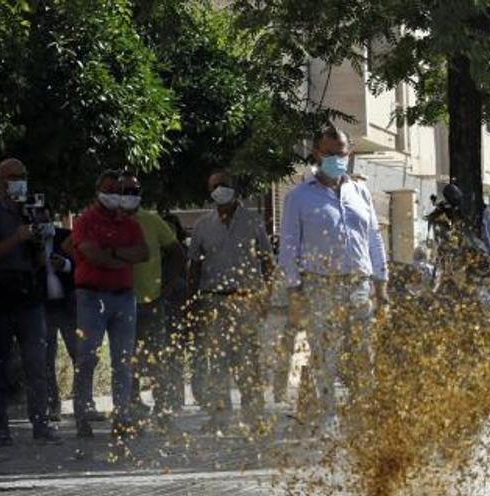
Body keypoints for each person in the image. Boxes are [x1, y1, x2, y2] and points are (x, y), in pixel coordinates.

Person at [279, 127, 388, 430]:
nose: (336, 159)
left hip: (358, 284)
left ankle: (363, 414)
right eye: (329, 154)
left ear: (348, 153)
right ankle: (328, 415)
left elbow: (373, 238)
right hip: (319, 284)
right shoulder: (299, 197)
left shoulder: (359, 191)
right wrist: (294, 292)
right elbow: (288, 246)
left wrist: (382, 285)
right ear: (316, 154)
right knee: (325, 353)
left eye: (341, 153)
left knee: (363, 352)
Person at [0, 158, 61, 446]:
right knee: (0, 363)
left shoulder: (33, 210)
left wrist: (42, 240)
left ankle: (41, 423)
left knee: (37, 362)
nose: (18, 181)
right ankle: (0, 427)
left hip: (29, 294)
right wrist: (17, 237)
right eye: (12, 177)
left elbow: (40, 258)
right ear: (0, 181)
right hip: (0, 294)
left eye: (22, 176)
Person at [67, 170, 149, 438]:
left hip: (124, 296)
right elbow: (92, 255)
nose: (115, 194)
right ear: (98, 190)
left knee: (123, 360)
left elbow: (142, 253)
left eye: (119, 190)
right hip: (91, 296)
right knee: (87, 357)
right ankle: (82, 415)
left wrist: (111, 253)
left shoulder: (129, 224)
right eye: (109, 189)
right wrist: (120, 259)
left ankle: (122, 415)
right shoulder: (85, 221)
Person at [189, 170, 273, 431]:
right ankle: (220, 415)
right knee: (218, 360)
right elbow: (194, 265)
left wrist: (267, 295)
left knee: (248, 359)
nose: (219, 190)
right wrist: (192, 301)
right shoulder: (203, 225)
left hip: (247, 298)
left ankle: (254, 415)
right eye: (214, 186)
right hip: (214, 300)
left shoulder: (253, 221)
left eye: (223, 185)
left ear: (234, 188)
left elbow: (267, 261)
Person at [117, 174, 185, 430]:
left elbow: (177, 253)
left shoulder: (152, 220)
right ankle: (133, 409)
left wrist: (165, 287)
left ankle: (164, 409)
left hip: (150, 302)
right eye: (124, 190)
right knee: (127, 360)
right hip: (120, 303)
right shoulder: (113, 220)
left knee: (157, 358)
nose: (129, 194)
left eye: (134, 190)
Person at [43, 224, 76, 421]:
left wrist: (65, 264)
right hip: (43, 305)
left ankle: (84, 402)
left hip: (67, 305)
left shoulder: (66, 236)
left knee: (78, 353)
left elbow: (80, 263)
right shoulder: (30, 239)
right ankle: (52, 404)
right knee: (46, 358)